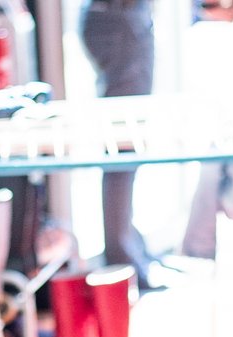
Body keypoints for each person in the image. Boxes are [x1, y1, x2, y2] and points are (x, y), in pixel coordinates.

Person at [81, 0, 157, 287]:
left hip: (118, 18)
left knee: (126, 146)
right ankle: (122, 261)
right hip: (119, 20)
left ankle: (127, 248)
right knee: (123, 146)